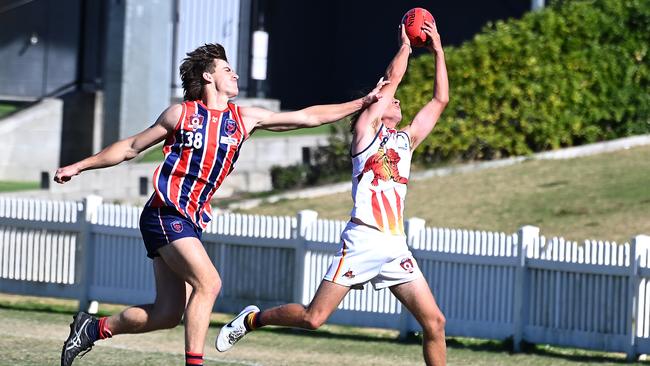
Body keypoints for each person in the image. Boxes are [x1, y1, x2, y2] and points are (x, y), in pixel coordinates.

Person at [56, 43, 388, 366]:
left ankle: (93, 328)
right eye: (227, 69)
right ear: (208, 77)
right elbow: (129, 147)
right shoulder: (181, 114)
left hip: (189, 220)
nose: (236, 74)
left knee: (168, 313)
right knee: (210, 283)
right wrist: (79, 165)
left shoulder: (244, 119)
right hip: (165, 211)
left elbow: (308, 118)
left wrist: (363, 101)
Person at [217, 21, 449, 366]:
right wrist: (405, 46)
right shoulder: (364, 135)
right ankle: (253, 319)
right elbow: (391, 83)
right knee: (314, 318)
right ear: (374, 109)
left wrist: (439, 50)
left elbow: (440, 99)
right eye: (389, 100)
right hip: (363, 239)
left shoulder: (406, 141)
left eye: (397, 100)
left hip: (394, 244)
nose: (397, 101)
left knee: (435, 322)